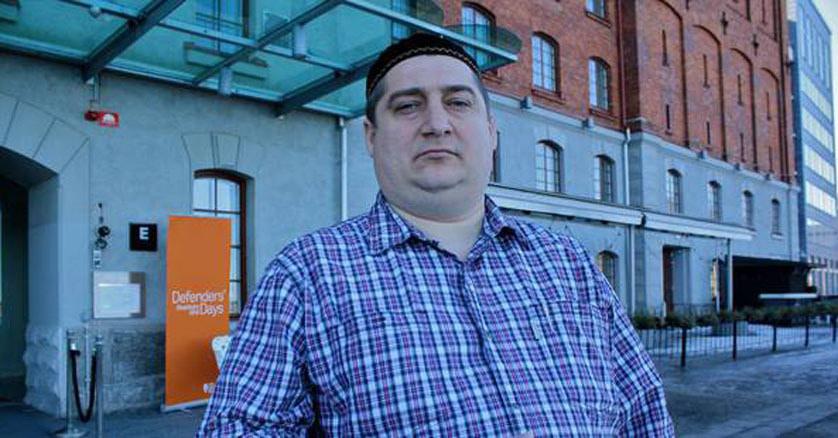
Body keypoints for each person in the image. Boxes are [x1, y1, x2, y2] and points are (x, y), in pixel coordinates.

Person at [197, 33, 674, 436]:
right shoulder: (305, 275)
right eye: (408, 106)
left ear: (491, 131)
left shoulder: (568, 263)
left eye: (458, 102)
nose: (437, 124)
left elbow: (644, 415)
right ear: (370, 137)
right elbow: (239, 427)